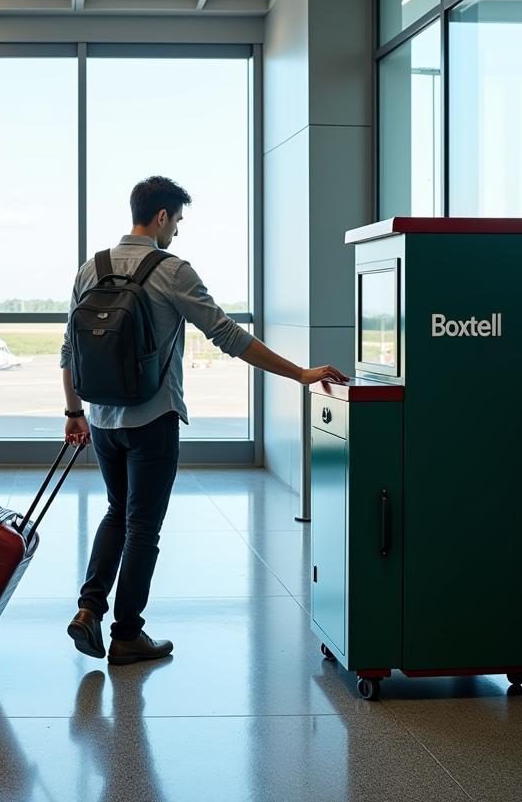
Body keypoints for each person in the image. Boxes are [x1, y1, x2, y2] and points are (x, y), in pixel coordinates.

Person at [60, 176, 347, 665]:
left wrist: (74, 412)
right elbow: (228, 335)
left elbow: (70, 349)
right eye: (177, 222)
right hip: (153, 417)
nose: (176, 233)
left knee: (115, 511)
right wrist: (299, 373)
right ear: (162, 218)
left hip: (103, 419)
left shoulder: (92, 268)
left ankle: (89, 610)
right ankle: (127, 634)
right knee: (142, 526)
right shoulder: (172, 270)